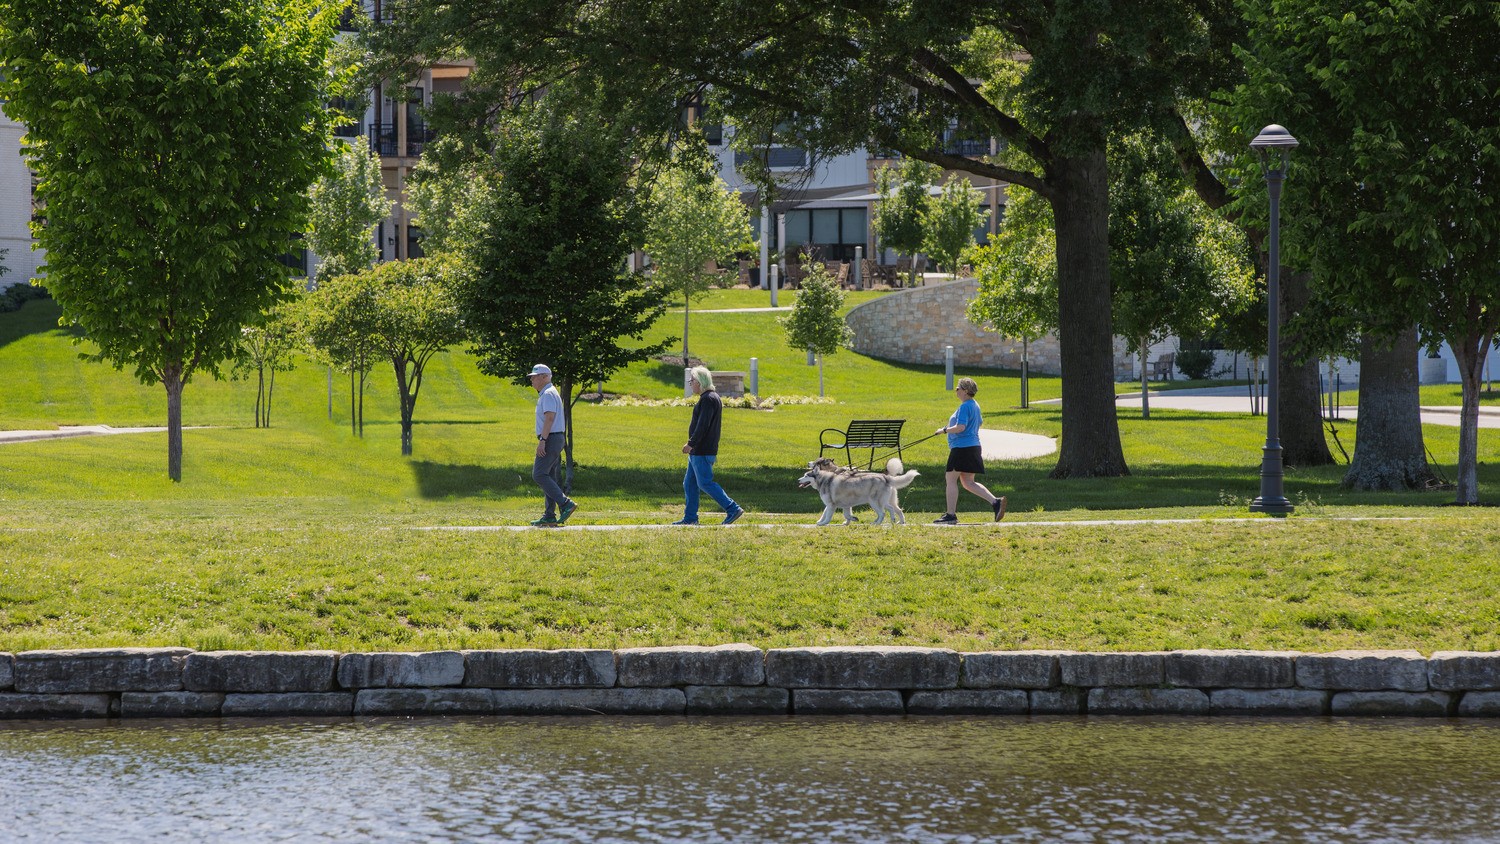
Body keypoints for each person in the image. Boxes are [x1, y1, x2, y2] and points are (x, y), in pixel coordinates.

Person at [675, 366, 745, 526]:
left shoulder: (708, 399)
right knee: (690, 483)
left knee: (705, 482)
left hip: (701, 450)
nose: (690, 384)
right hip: (698, 451)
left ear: (699, 382)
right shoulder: (710, 397)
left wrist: (691, 443)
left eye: (691, 381)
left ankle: (732, 508)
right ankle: (690, 518)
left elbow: (703, 425)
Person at [934, 376, 1006, 524]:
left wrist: (944, 430)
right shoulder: (974, 405)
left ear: (965, 391)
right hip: (972, 446)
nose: (956, 391)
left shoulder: (965, 406)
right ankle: (995, 502)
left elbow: (961, 427)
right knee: (968, 482)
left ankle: (950, 515)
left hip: (962, 448)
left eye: (958, 388)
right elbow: (979, 422)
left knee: (951, 479)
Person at [527, 364, 578, 527]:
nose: (532, 380)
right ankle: (549, 515)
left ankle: (565, 503)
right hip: (555, 438)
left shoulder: (548, 394)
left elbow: (549, 418)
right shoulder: (548, 393)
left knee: (539, 474)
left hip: (550, 438)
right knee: (548, 475)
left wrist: (543, 440)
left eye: (534, 377)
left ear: (544, 377)